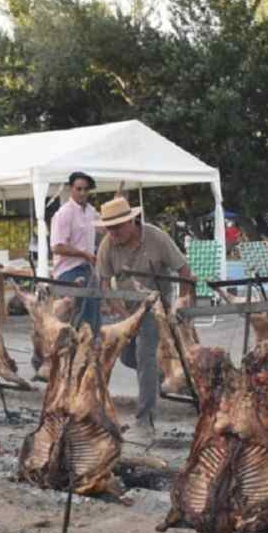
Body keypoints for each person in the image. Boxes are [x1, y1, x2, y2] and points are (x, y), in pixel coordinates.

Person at [95, 196, 195, 433]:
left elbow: (184, 270)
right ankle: (167, 375)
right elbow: (104, 283)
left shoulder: (156, 237)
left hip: (155, 306)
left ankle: (145, 417)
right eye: (109, 227)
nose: (114, 232)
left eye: (118, 227)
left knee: (144, 355)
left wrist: (181, 301)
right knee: (128, 357)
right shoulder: (107, 245)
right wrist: (119, 310)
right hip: (128, 309)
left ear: (132, 222)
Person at [50, 172, 101, 332]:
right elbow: (57, 246)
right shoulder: (64, 213)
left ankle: (90, 354)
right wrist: (84, 254)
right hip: (68, 272)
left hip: (88, 270)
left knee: (93, 319)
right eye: (79, 189)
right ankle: (73, 354)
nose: (82, 193)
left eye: (86, 189)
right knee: (77, 321)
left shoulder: (91, 211)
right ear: (71, 189)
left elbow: (105, 229)